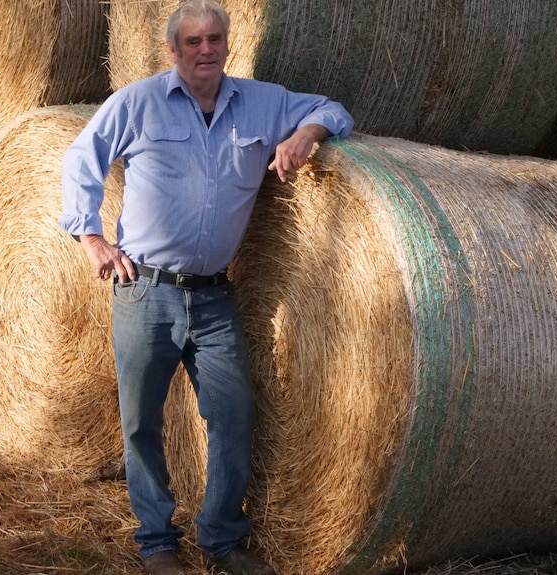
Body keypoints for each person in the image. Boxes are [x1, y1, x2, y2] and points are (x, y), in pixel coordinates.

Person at [60, 1, 352, 573]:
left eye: (215, 39)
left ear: (228, 44)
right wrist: (90, 237)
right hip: (144, 291)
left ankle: (221, 538)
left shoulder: (262, 103)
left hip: (215, 296)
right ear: (173, 50)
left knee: (234, 412)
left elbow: (331, 108)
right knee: (142, 421)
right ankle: (157, 542)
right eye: (192, 41)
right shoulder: (139, 103)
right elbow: (81, 158)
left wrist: (303, 137)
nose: (205, 50)